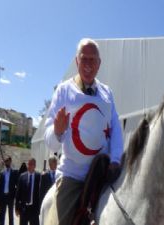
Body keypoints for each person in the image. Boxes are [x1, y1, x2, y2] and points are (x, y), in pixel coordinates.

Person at [44, 38, 123, 224]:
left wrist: (116, 160)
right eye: (84, 58)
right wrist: (57, 130)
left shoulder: (107, 93)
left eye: (92, 59)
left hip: (102, 175)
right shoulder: (64, 91)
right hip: (73, 176)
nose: (88, 64)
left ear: (99, 63)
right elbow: (50, 141)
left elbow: (116, 129)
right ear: (76, 61)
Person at [15, 158, 41, 225]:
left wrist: (40, 208)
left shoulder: (39, 177)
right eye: (28, 164)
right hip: (24, 209)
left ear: (34, 166)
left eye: (31, 164)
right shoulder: (22, 176)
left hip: (34, 209)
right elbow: (18, 193)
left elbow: (41, 193)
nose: (29, 166)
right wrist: (17, 208)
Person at [0, 156, 19, 225]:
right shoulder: (2, 173)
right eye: (6, 161)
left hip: (10, 196)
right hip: (3, 197)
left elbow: (17, 185)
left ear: (10, 161)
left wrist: (15, 196)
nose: (7, 162)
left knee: (10, 214)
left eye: (8, 161)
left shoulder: (14, 173)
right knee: (2, 214)